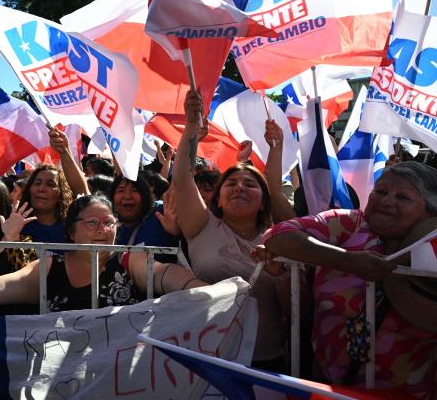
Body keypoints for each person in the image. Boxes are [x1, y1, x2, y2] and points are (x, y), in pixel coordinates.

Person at [260, 161, 437, 397]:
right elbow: (277, 235)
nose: (386, 201)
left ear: (430, 212)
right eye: (381, 192)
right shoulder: (350, 224)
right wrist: (348, 261)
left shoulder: (433, 245)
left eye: (402, 197)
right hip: (328, 389)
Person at [0, 194, 206, 313]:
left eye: (108, 222)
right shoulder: (48, 267)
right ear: (71, 232)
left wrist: (201, 290)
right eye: (92, 222)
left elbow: (164, 275)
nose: (102, 228)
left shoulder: (129, 259)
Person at [171, 90, 294, 372]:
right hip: (206, 356)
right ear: (218, 197)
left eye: (249, 184)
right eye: (231, 183)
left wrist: (277, 148)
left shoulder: (279, 237)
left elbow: (298, 306)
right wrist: (191, 128)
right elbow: (182, 177)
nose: (239, 187)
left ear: (264, 200)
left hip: (266, 361)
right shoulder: (201, 227)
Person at [110, 174, 180, 263]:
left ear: (145, 195)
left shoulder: (163, 212)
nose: (127, 196)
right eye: (121, 190)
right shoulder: (105, 226)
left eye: (135, 190)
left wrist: (178, 232)